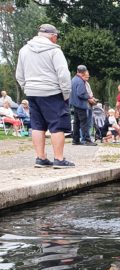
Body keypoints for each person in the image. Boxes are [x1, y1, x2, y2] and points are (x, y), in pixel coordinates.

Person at [15, 24, 74, 168]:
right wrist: (66, 94)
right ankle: (59, 159)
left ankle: (40, 158)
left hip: (32, 92)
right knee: (57, 126)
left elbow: (19, 74)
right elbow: (63, 75)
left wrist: (27, 88)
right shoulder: (54, 50)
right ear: (53, 36)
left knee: (37, 125)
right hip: (52, 92)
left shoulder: (24, 50)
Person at [70, 65, 95, 145]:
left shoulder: (73, 79)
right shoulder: (80, 81)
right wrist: (89, 97)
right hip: (81, 104)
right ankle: (87, 140)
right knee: (84, 123)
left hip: (75, 104)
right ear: (84, 72)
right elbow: (81, 93)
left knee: (76, 123)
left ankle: (75, 140)